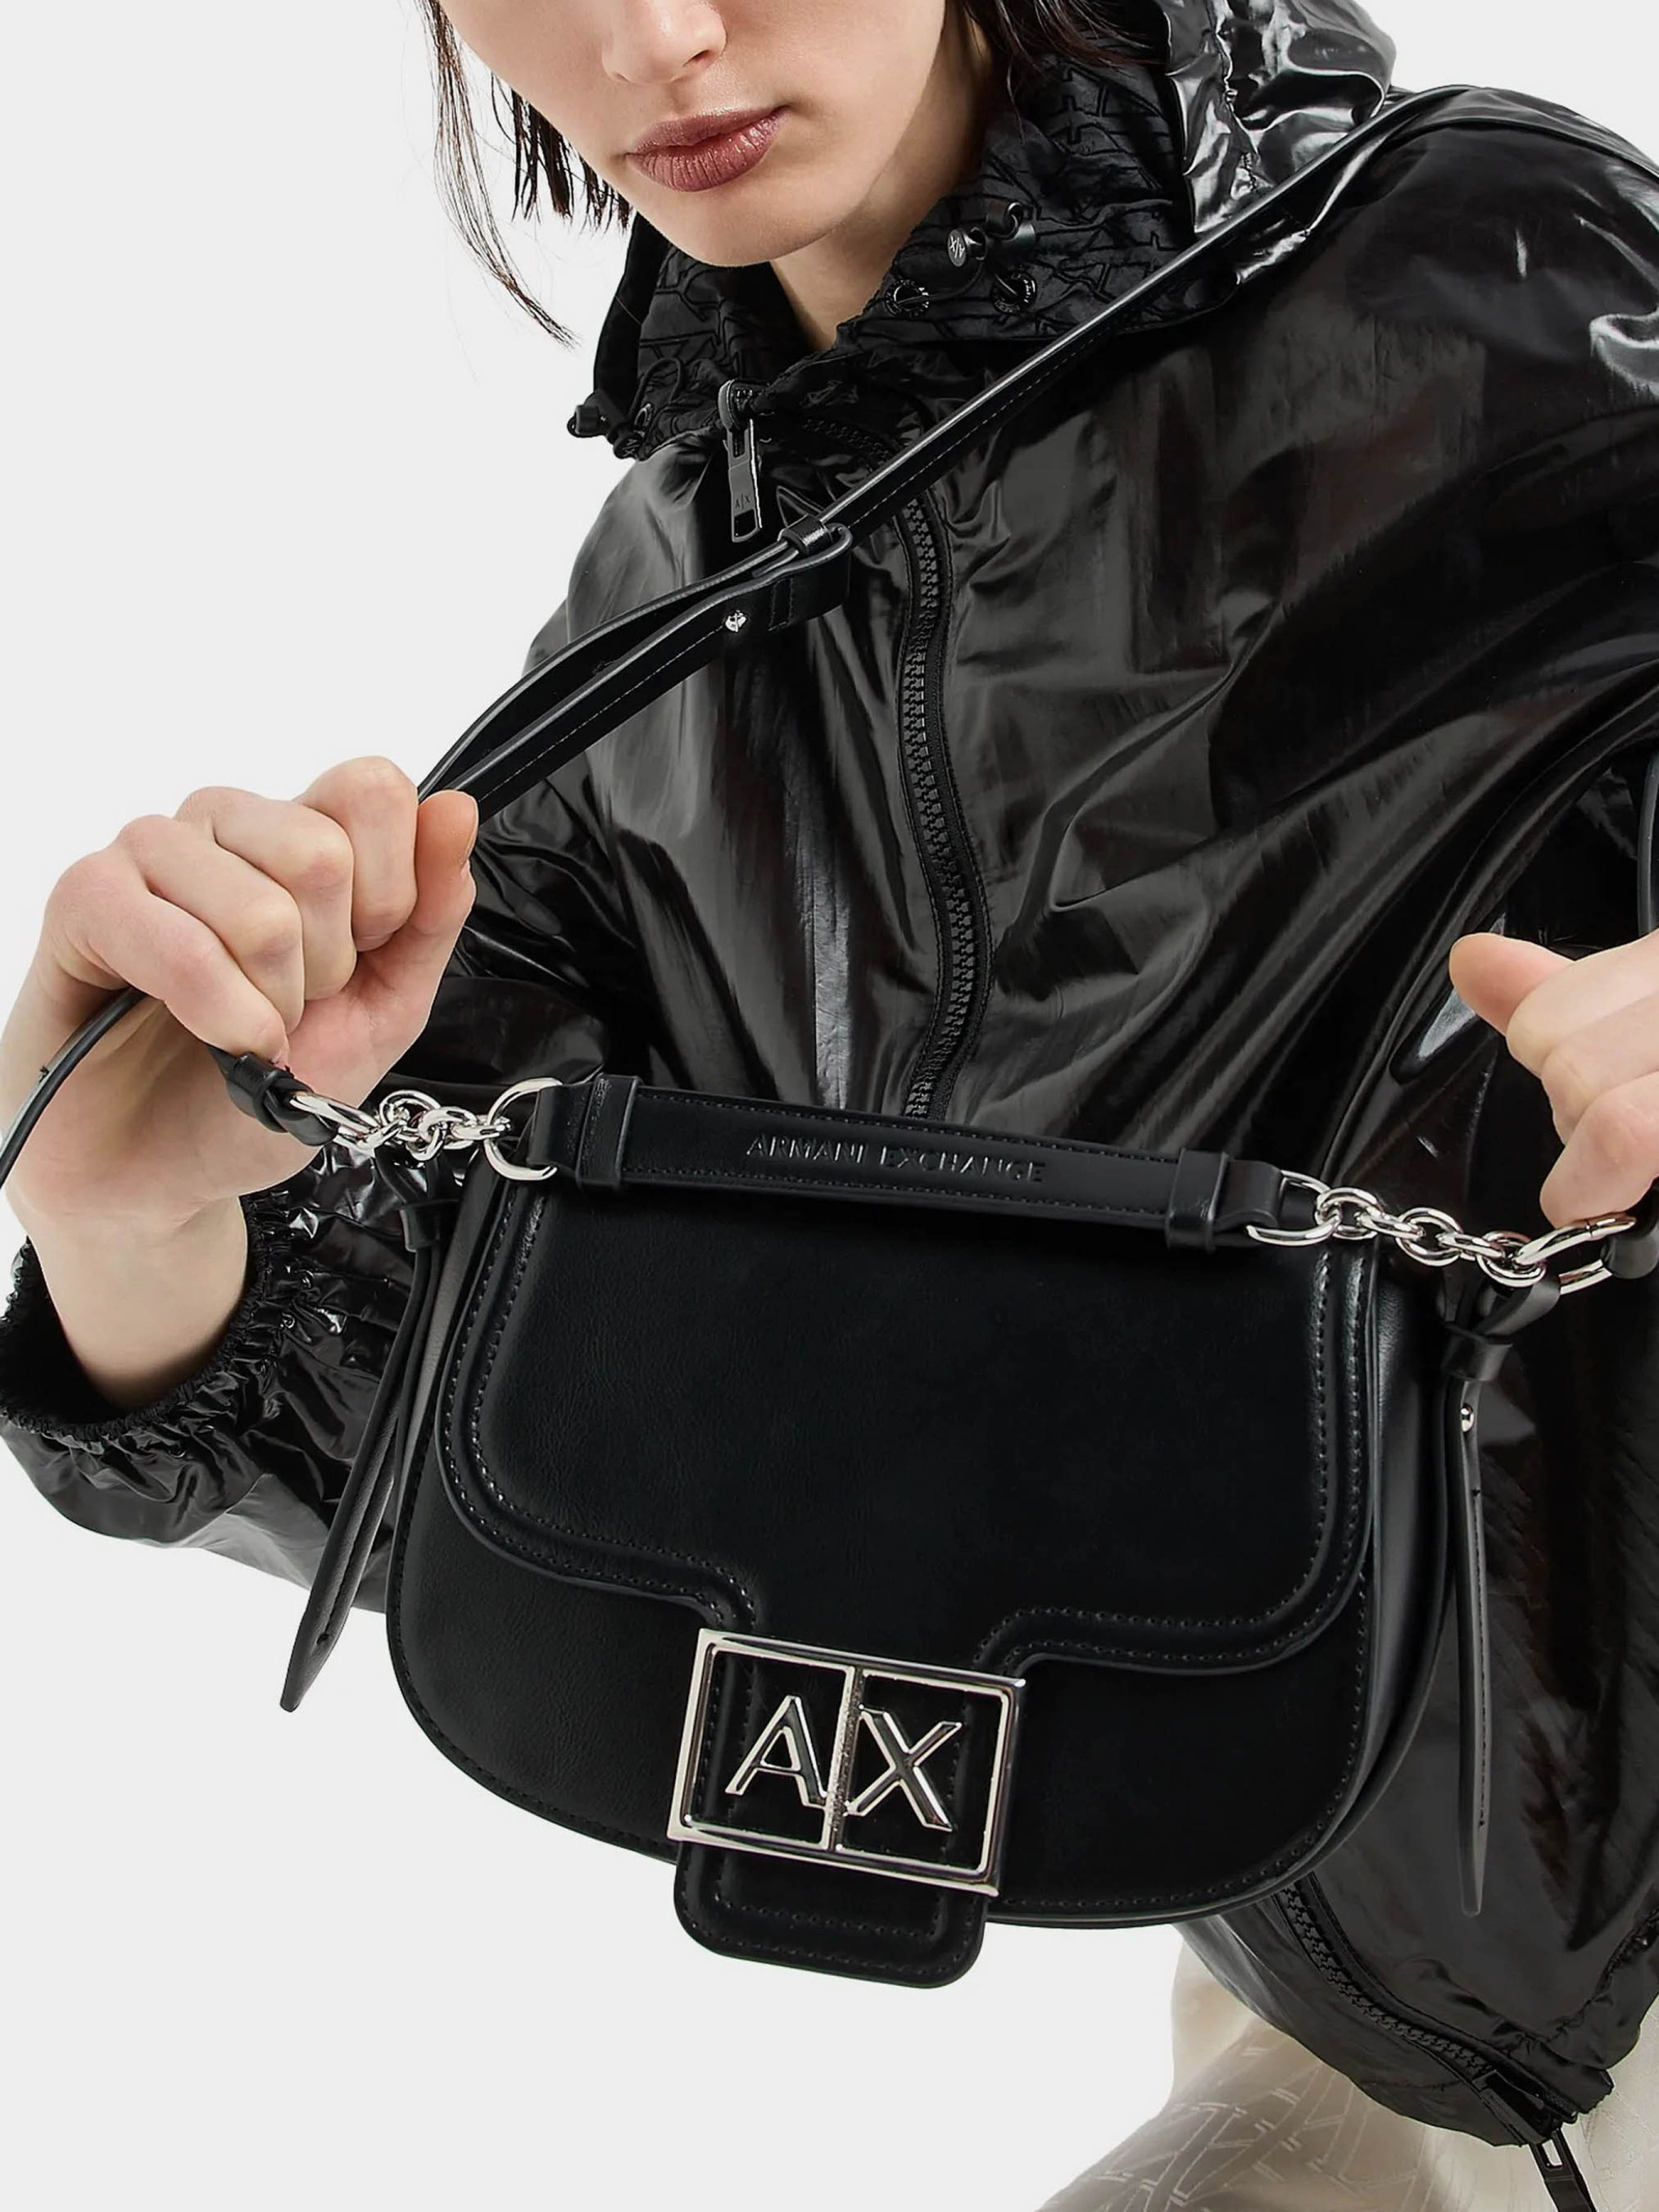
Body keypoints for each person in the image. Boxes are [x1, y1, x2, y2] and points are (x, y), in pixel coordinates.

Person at [2, 2, 1659, 2205]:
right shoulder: (681, 605)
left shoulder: (1501, 276)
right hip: (1371, 1960)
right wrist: (129, 1220)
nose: (652, 35)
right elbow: (508, 1458)